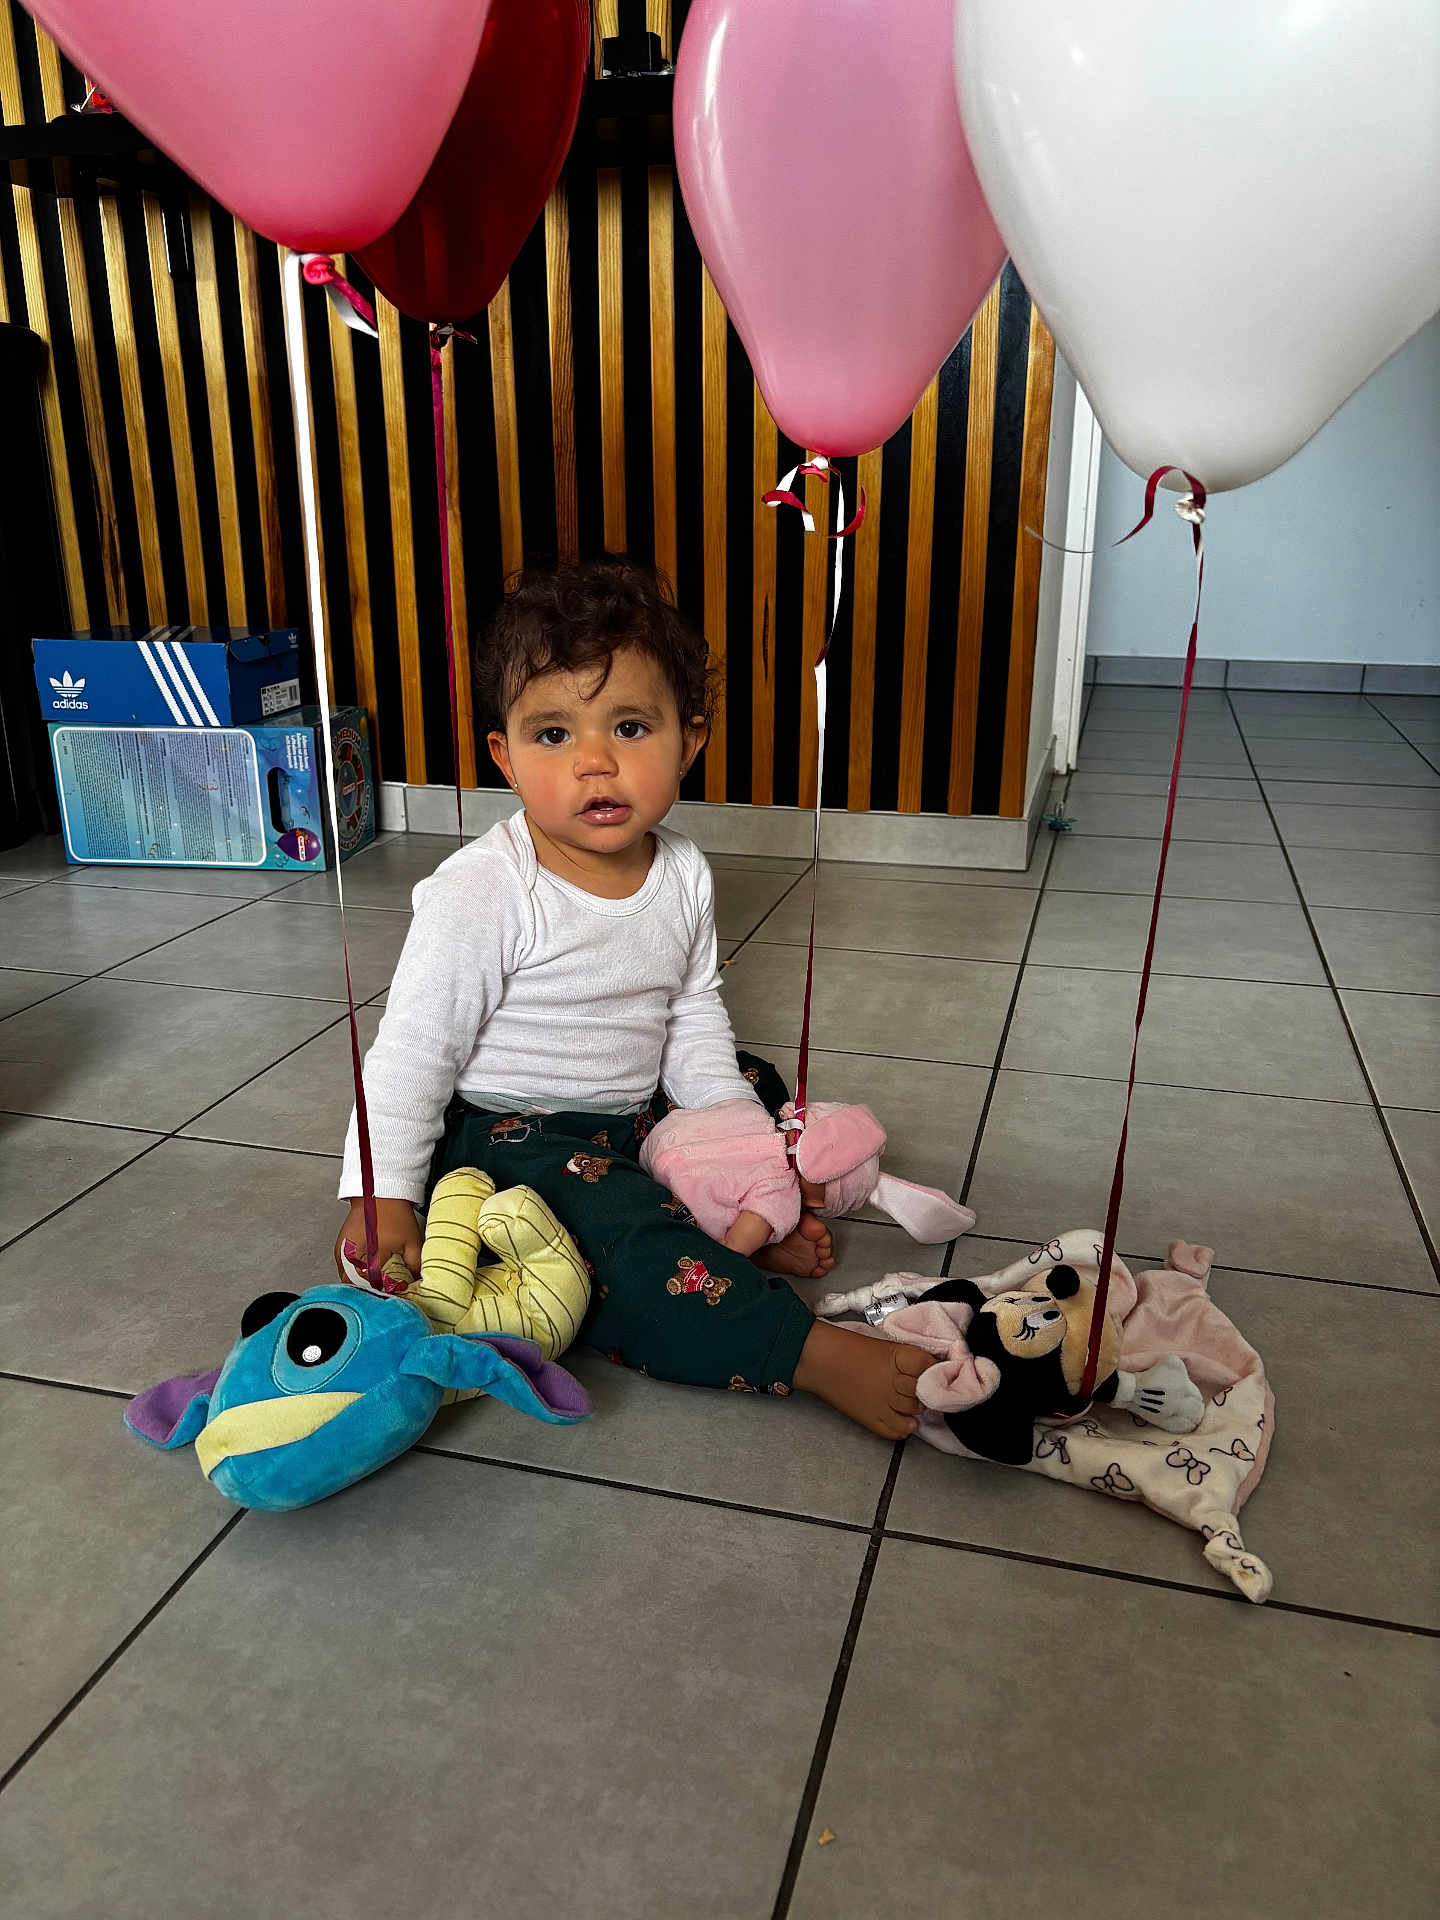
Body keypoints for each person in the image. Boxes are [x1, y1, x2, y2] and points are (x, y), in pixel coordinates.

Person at [334, 559, 928, 1439]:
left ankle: (737, 1208)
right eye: (551, 735)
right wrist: (381, 1192)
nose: (595, 762)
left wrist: (732, 1135)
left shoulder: (683, 871)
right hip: (517, 1134)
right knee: (620, 1244)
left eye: (629, 725)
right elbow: (414, 1054)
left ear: (689, 741)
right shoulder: (485, 890)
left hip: (638, 1103)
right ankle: (804, 1351)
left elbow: (690, 1009)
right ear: (503, 754)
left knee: (749, 1078)